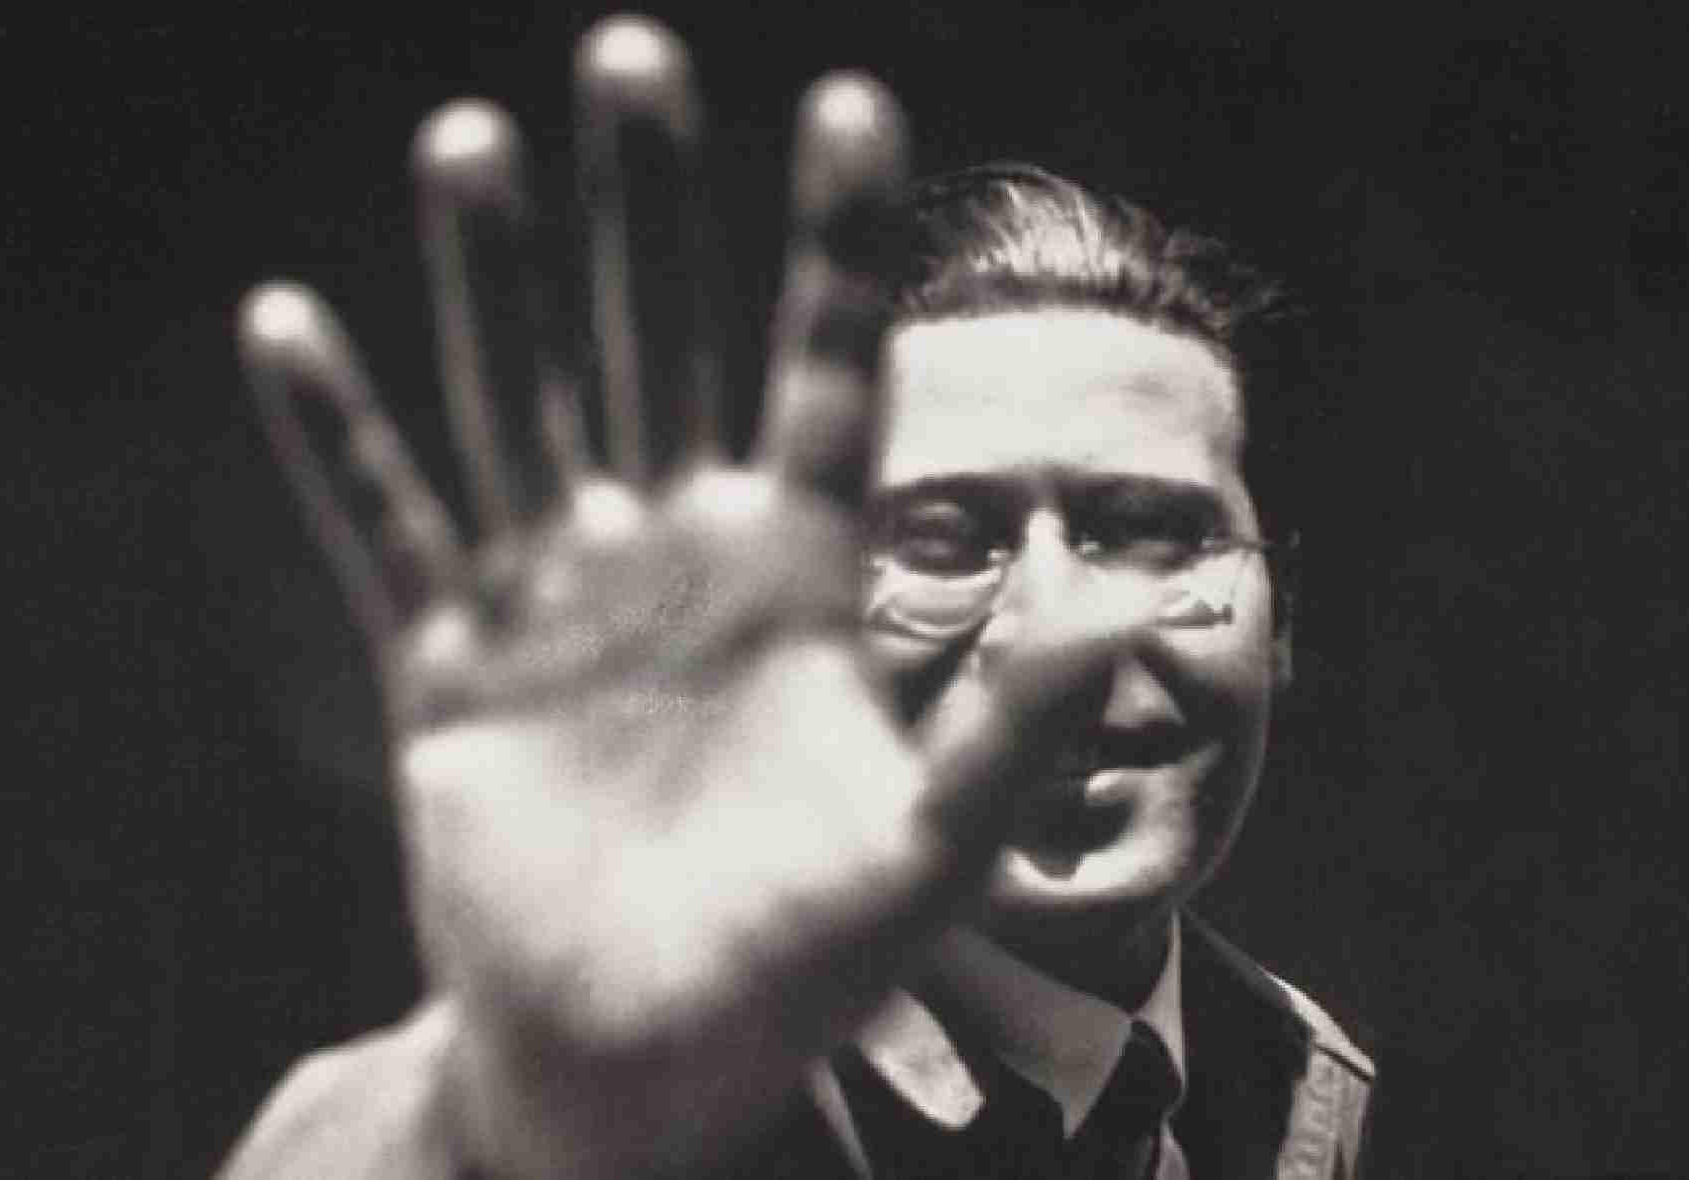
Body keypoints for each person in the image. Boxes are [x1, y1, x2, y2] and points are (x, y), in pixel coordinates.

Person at [219, 15, 1372, 1179]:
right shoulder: (652, 1085)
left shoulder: (1286, 1090)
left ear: (1280, 613)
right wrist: (510, 1128)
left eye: (1149, 535)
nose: (1049, 629)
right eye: (941, 543)